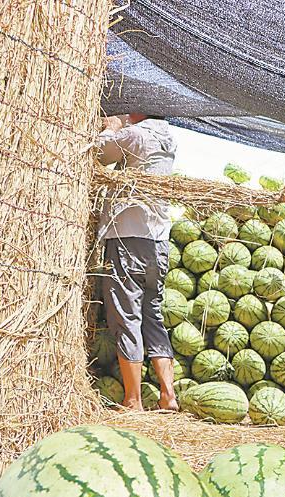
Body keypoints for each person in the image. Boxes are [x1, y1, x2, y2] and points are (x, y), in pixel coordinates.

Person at [96, 113, 179, 411]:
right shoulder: (169, 139)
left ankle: (133, 399)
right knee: (152, 314)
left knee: (126, 314)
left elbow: (98, 154)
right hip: (158, 240)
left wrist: (112, 128)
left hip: (128, 237)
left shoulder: (137, 135)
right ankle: (168, 395)